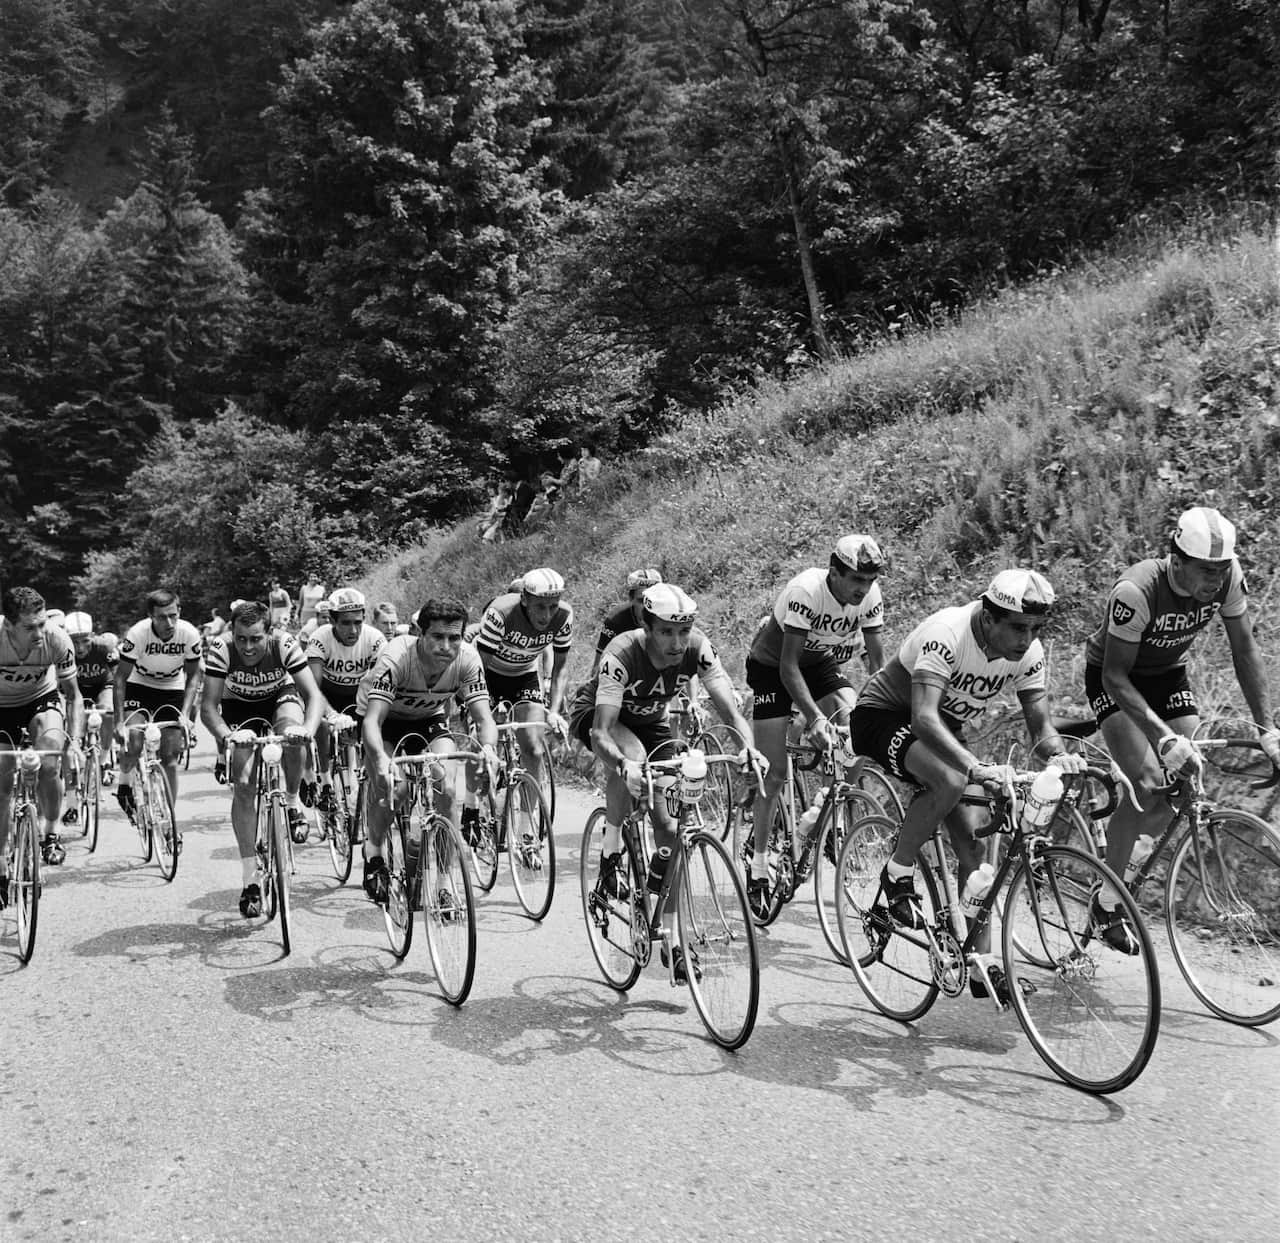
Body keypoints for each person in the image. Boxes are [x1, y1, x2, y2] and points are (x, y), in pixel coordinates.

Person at [850, 569, 1088, 1002]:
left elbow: (1041, 728)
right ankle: (898, 873)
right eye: (1018, 627)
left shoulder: (1027, 652)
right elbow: (922, 715)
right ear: (987, 617)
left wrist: (1057, 755)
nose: (1026, 639)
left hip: (941, 727)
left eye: (1036, 629)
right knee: (951, 777)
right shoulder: (948, 632)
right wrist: (975, 766)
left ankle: (982, 966)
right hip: (883, 716)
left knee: (975, 848)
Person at [1083, 506, 1280, 951]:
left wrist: (1267, 728)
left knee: (1190, 776)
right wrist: (1162, 736)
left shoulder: (1227, 578)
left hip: (1169, 674)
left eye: (1220, 570)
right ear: (1177, 560)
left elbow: (1245, 648)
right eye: (1206, 572)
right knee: (1149, 781)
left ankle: (1124, 846)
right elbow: (1115, 676)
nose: (1214, 581)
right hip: (1117, 678)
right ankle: (1107, 903)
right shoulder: (1137, 589)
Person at [568, 583, 766, 983]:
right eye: (666, 632)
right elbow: (602, 733)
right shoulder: (622, 653)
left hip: (652, 722)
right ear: (647, 627)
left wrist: (748, 748)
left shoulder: (698, 647)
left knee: (673, 831)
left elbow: (729, 708)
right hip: (600, 717)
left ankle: (674, 939)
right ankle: (610, 852)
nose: (677, 643)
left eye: (684, 631)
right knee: (636, 762)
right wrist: (623, 764)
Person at [743, 534, 890, 914]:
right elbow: (787, 667)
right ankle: (758, 867)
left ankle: (827, 805)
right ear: (834, 572)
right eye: (856, 579)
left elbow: (877, 668)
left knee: (861, 728)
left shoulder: (870, 599)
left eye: (870, 581)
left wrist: (882, 716)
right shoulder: (805, 591)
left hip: (820, 663)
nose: (863, 589)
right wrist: (815, 718)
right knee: (773, 773)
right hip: (772, 667)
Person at [355, 599, 499, 905]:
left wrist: (488, 749)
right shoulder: (396, 656)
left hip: (429, 718)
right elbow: (371, 720)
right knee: (395, 788)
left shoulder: (469, 659)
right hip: (384, 721)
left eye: (454, 638)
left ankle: (444, 883)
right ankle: (375, 850)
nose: (446, 646)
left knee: (446, 787)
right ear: (420, 633)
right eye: (437, 637)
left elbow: (485, 718)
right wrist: (381, 760)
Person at [202, 601, 324, 913]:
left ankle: (293, 802)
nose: (248, 646)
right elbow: (208, 707)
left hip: (278, 698)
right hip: (238, 707)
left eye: (256, 639)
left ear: (268, 634)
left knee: (292, 731)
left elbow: (312, 696)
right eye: (241, 638)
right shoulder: (221, 649)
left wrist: (309, 730)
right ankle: (250, 879)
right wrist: (228, 736)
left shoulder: (284, 644)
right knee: (243, 785)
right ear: (232, 632)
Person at [473, 568, 573, 818]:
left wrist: (554, 712)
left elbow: (560, 669)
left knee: (534, 748)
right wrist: (479, 711)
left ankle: (527, 827)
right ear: (525, 599)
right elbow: (479, 667)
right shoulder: (501, 612)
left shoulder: (564, 616)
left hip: (525, 674)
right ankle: (471, 806)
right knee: (483, 741)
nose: (547, 615)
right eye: (540, 606)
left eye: (553, 606)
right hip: (490, 673)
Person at [0, 587, 82, 876]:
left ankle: (51, 833)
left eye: (41, 623)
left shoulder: (56, 638)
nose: (38, 633)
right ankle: (0, 860)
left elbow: (73, 696)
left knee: (50, 759)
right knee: (3, 772)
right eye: (29, 627)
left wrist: (74, 742)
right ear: (8, 624)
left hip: (40, 700)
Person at [113, 589, 203, 825]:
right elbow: (120, 678)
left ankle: (168, 820)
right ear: (151, 616)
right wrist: (118, 722)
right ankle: (124, 785)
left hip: (171, 687)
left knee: (170, 755)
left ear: (180, 611)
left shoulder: (189, 633)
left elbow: (194, 676)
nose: (169, 622)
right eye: (162, 617)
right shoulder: (138, 634)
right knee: (133, 741)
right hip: (139, 685)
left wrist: (185, 714)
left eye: (173, 615)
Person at [304, 587, 385, 808]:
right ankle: (326, 781)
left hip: (358, 695)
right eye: (346, 623)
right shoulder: (319, 638)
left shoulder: (375, 638)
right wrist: (330, 714)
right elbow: (313, 688)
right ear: (332, 620)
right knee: (319, 725)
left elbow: (382, 684)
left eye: (358, 622)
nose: (353, 630)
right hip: (326, 693)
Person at [62, 611, 118, 825]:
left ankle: (103, 760)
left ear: (93, 636)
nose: (80, 648)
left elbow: (120, 677)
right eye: (75, 642)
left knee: (108, 710)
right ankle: (71, 805)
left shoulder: (104, 647)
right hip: (73, 691)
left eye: (85, 641)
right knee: (68, 743)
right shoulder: (63, 650)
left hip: (102, 686)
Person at [590, 569, 663, 676]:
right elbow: (598, 666)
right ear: (631, 599)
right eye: (641, 601)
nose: (647, 607)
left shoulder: (668, 616)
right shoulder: (615, 620)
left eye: (653, 600)